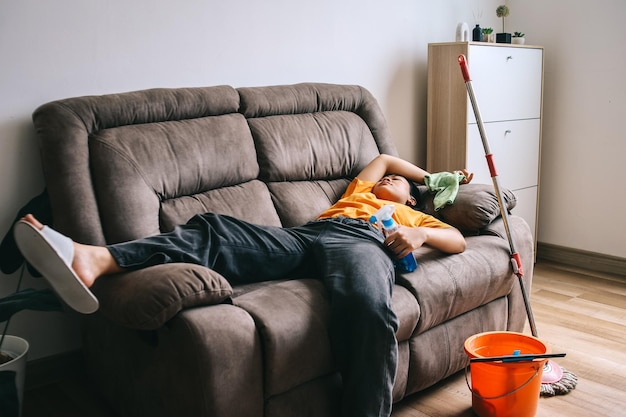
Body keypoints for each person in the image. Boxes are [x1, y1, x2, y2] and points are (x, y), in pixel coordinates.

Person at [15, 153, 472, 417]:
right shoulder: (357, 192)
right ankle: (95, 258)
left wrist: (420, 230)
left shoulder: (415, 215)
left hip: (364, 243)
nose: (389, 179)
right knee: (217, 230)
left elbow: (457, 241)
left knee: (367, 306)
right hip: (306, 235)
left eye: (400, 184)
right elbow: (386, 158)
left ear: (412, 201)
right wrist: (426, 177)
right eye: (388, 180)